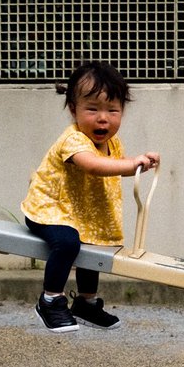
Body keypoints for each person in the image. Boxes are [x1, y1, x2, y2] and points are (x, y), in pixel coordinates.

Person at [22, 61, 160, 333]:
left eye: (112, 110)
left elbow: (114, 166)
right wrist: (133, 163)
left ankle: (86, 303)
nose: (103, 118)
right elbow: (93, 166)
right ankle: (50, 299)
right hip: (48, 210)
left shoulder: (111, 142)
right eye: (92, 109)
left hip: (77, 213)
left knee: (93, 243)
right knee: (68, 242)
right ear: (74, 110)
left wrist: (138, 164)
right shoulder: (73, 140)